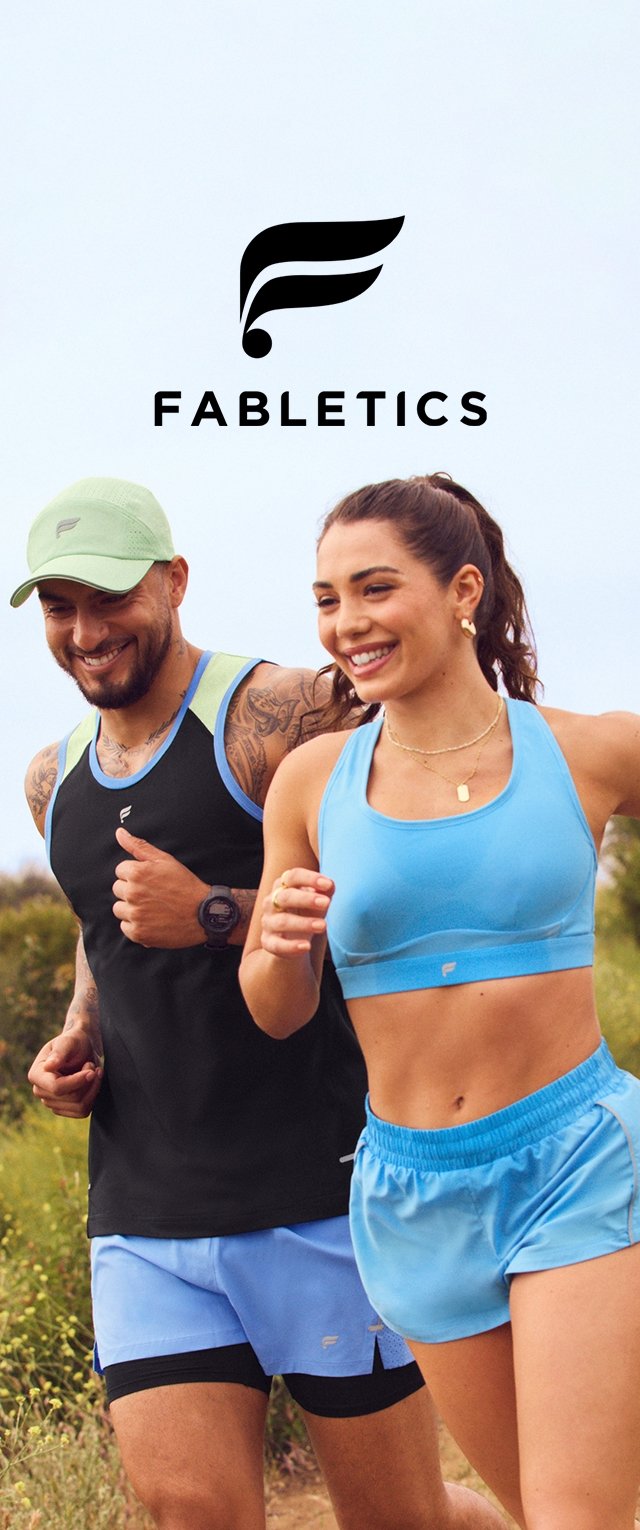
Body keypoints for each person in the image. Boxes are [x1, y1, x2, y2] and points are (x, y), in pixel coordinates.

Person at [13, 475, 506, 1530]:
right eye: (60, 607)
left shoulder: (277, 715)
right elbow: (102, 930)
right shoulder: (53, 779)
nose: (86, 632)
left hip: (318, 1192)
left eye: (110, 598)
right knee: (194, 1512)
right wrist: (79, 1030)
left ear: (174, 581)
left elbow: (414, 882)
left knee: (401, 1520)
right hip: (144, 1212)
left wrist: (212, 911)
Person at [240, 470, 640, 1530]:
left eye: (375, 589)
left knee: (579, 1516)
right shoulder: (311, 781)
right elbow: (276, 1010)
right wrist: (279, 945)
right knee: (533, 1510)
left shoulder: (586, 749)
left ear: (463, 591)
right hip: (412, 1193)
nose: (346, 623)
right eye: (327, 599)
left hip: (577, 1161)